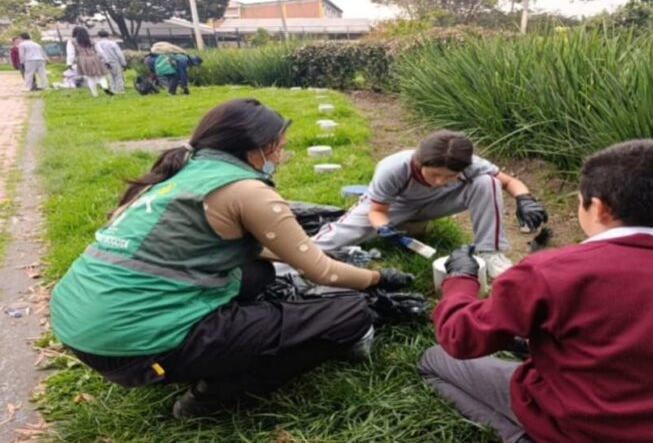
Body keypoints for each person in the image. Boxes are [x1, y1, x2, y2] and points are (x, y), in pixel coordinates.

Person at [50, 98, 414, 418]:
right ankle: (212, 399)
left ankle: (222, 344)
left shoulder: (180, 174)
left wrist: (303, 251)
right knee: (347, 312)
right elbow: (322, 273)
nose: (281, 157)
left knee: (259, 273)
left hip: (80, 326)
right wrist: (377, 279)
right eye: (279, 149)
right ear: (258, 149)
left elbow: (262, 251)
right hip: (139, 346)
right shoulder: (246, 190)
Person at [418, 139, 653, 443]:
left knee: (434, 360)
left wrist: (460, 279)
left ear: (598, 208)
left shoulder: (549, 271)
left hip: (582, 427)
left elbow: (460, 337)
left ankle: (527, 435)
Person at [313, 130, 548, 278]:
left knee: (487, 183)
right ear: (419, 161)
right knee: (339, 237)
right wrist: (384, 229)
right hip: (396, 205)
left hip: (439, 204)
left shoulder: (470, 164)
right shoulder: (394, 167)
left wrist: (524, 199)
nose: (439, 181)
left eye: (449, 176)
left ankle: (491, 252)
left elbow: (508, 181)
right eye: (434, 174)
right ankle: (297, 257)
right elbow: (377, 210)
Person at [66, 26, 112, 97]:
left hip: (83, 59)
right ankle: (106, 88)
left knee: (90, 78)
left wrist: (69, 63)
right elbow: (100, 51)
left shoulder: (72, 41)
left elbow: (71, 53)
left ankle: (95, 94)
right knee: (101, 76)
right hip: (94, 58)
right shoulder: (91, 40)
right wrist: (107, 61)